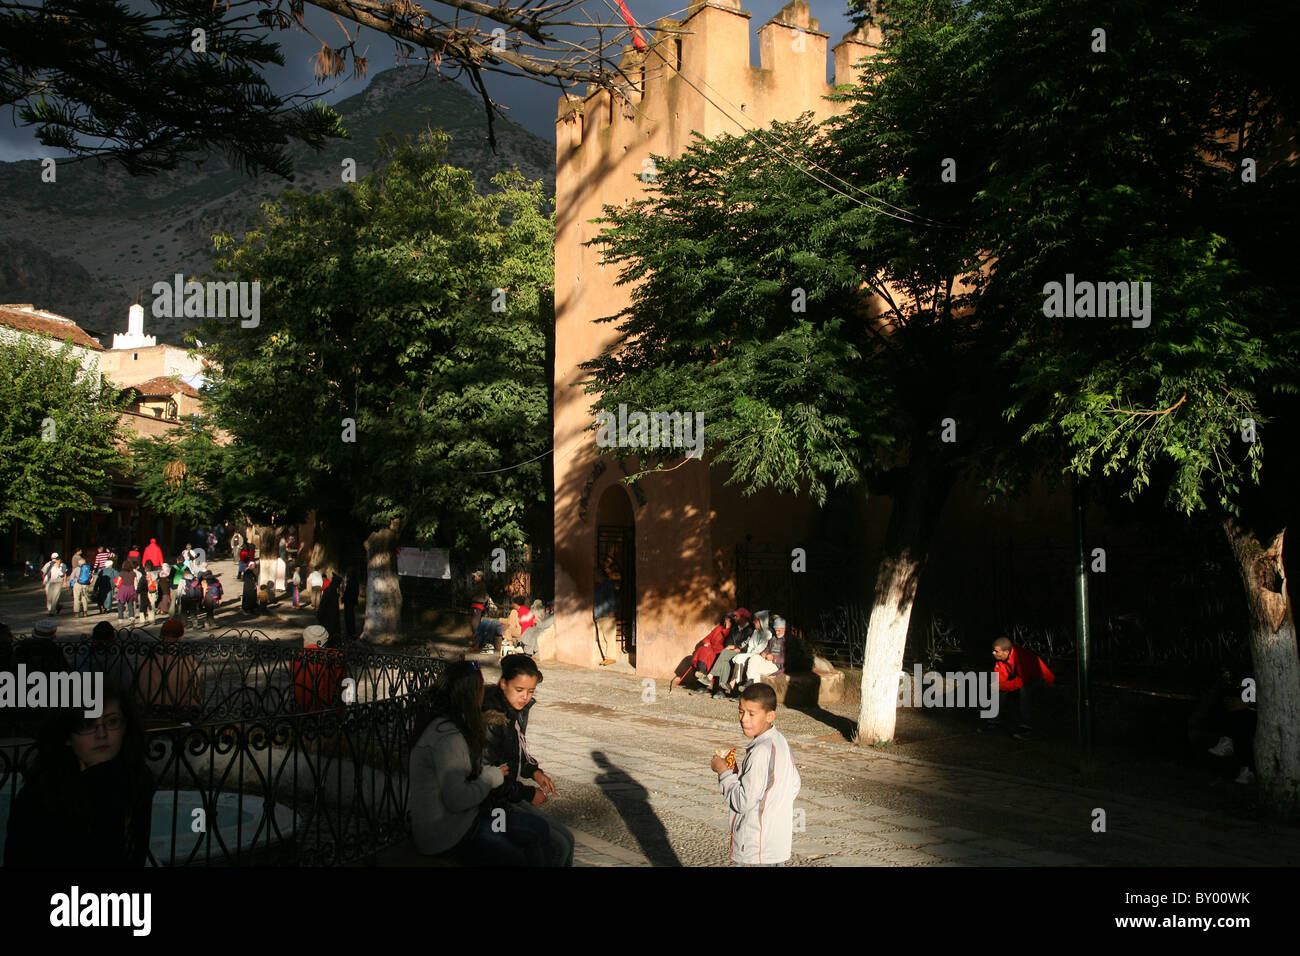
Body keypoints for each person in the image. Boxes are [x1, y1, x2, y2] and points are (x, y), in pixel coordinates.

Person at [408, 661, 548, 865]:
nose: (485, 692)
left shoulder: (449, 724)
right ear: (471, 695)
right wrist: (492, 777)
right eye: (480, 687)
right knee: (523, 849)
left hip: (462, 820)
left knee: (543, 832)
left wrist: (532, 771)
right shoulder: (448, 737)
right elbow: (458, 799)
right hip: (448, 833)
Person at [4, 681, 157, 866]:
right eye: (87, 724)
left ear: (125, 727)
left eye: (112, 721)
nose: (101, 734)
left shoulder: (137, 780)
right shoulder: (39, 797)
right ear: (67, 736)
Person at [482, 655, 574, 866]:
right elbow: (490, 778)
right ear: (504, 683)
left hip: (505, 796)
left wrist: (534, 771)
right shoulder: (491, 717)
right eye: (519, 690)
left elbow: (517, 749)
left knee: (566, 839)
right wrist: (528, 793)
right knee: (557, 844)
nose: (525, 697)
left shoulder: (515, 710)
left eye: (530, 691)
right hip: (491, 806)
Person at [710, 682, 801, 866]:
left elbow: (742, 802)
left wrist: (724, 773)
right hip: (776, 844)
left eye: (752, 714)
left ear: (770, 715)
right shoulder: (780, 741)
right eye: (741, 711)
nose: (744, 719)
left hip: (755, 845)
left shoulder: (760, 751)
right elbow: (794, 785)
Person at [982, 636, 1055, 740]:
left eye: (996, 651)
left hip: (1041, 679)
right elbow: (1000, 676)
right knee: (998, 688)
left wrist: (1003, 685)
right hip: (1024, 677)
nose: (993, 653)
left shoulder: (1021, 657)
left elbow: (1022, 681)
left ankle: (1027, 728)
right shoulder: (1001, 658)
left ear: (1006, 652)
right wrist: (996, 685)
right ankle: (993, 721)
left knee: (1025, 690)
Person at [706, 608, 754, 699]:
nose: (734, 618)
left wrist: (734, 647)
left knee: (724, 653)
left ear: (743, 617)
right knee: (725, 659)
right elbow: (727, 642)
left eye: (736, 616)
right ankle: (721, 690)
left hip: (743, 653)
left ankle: (710, 677)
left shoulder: (750, 629)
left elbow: (747, 643)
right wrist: (732, 647)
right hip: (732, 653)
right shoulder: (735, 628)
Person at [728, 612, 776, 694]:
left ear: (761, 622)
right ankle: (737, 684)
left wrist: (749, 654)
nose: (753, 622)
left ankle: (734, 682)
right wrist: (748, 653)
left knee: (740, 658)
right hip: (751, 653)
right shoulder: (755, 632)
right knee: (740, 658)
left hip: (760, 655)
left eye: (755, 621)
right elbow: (750, 645)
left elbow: (761, 648)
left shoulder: (768, 633)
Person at [686, 614, 733, 693]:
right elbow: (707, 638)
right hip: (711, 649)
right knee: (703, 650)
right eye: (726, 619)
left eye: (728, 620)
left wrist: (727, 628)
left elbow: (728, 641)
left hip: (720, 652)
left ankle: (704, 680)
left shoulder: (732, 631)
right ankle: (701, 675)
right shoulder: (718, 628)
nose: (726, 621)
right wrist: (707, 642)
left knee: (709, 655)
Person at [593, 564, 619, 666]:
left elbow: (613, 598)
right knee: (602, 638)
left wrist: (612, 610)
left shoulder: (608, 584)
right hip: (599, 614)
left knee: (609, 637)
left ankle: (611, 657)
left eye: (595, 575)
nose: (594, 577)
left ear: (600, 575)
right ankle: (606, 657)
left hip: (607, 614)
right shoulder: (599, 586)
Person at [317, 570, 341, 645]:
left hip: (332, 618)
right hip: (328, 618)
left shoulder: (332, 591)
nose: (338, 586)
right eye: (338, 584)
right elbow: (323, 604)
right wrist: (319, 615)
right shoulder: (329, 591)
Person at [343, 567, 361, 640]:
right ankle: (350, 631)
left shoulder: (353, 581)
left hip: (350, 601)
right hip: (349, 601)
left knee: (349, 617)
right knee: (348, 617)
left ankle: (351, 632)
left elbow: (352, 592)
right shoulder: (351, 581)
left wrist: (347, 598)